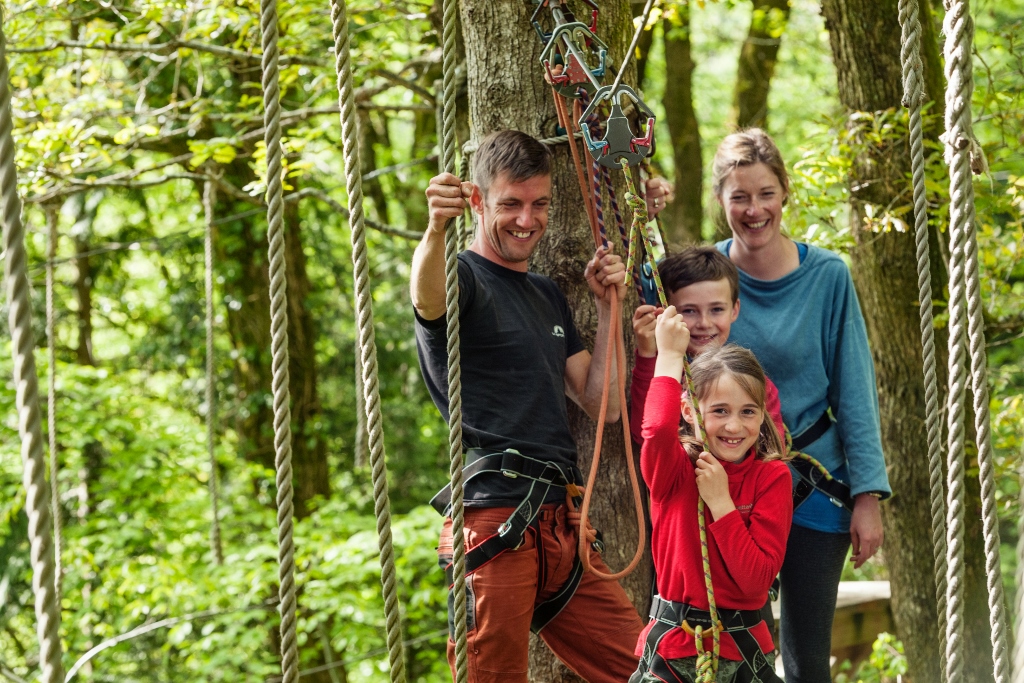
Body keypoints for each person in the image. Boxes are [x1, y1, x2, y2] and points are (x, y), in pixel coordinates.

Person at [412, 129, 649, 683]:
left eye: (539, 204)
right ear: (477, 200)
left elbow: (604, 405)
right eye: (511, 204)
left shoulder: (545, 294)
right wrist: (435, 228)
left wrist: (607, 308)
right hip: (496, 516)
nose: (527, 219)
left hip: (560, 521)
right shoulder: (462, 276)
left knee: (646, 669)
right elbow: (427, 297)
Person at [711, 128, 891, 683]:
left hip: (814, 482)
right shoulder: (705, 275)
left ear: (785, 193)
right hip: (731, 486)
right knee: (735, 652)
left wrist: (867, 495)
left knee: (807, 659)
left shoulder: (827, 277)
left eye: (766, 193)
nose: (754, 210)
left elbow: (854, 390)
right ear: (721, 201)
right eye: (740, 197)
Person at [630, 316, 792, 683]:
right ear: (689, 411)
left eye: (748, 411)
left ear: (762, 414)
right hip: (673, 651)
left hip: (742, 654)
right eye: (720, 411)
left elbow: (756, 582)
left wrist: (722, 505)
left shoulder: (771, 477)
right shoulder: (674, 471)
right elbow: (657, 429)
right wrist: (669, 356)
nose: (734, 426)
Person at [627, 245, 785, 446]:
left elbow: (772, 451)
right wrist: (647, 354)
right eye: (689, 311)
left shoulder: (754, 383)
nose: (704, 323)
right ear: (665, 313)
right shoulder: (664, 373)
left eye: (716, 309)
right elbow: (644, 436)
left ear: (734, 310)